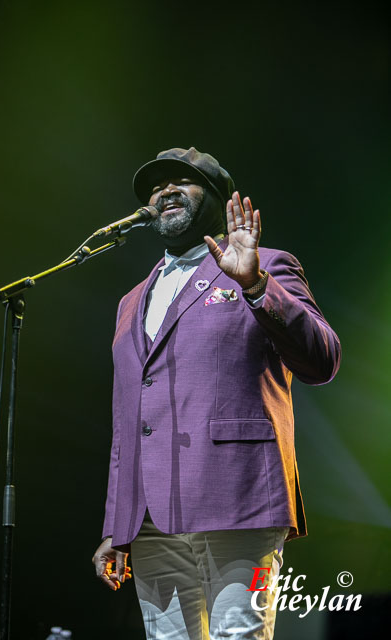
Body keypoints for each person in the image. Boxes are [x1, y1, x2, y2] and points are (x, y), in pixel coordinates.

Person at [92, 147, 341, 639]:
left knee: (239, 634)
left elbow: (322, 359)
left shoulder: (266, 265)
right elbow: (128, 420)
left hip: (238, 492)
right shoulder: (130, 301)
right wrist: (114, 523)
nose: (164, 190)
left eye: (182, 180)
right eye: (155, 186)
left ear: (221, 198)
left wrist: (255, 285)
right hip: (149, 518)